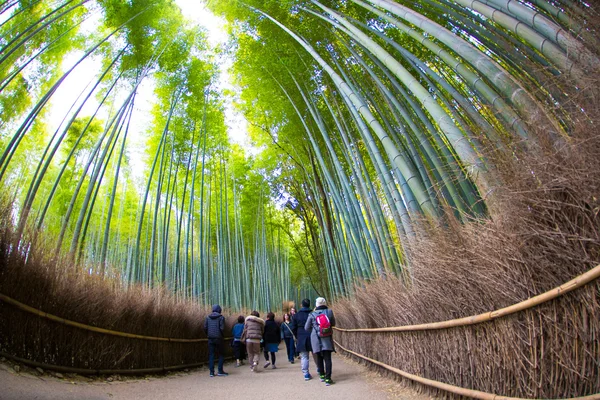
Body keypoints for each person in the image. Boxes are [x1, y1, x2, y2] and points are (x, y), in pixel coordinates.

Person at [305, 297, 335, 386]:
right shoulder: (329, 312)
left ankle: (322, 375)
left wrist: (315, 329)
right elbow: (333, 323)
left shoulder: (312, 314)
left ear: (316, 304)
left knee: (319, 357)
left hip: (315, 338)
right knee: (328, 358)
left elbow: (306, 328)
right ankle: (328, 379)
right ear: (325, 303)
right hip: (327, 337)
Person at [291, 298, 313, 381]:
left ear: (301, 305)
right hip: (312, 335)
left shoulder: (296, 315)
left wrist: (297, 336)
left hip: (301, 336)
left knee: (304, 356)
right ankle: (320, 370)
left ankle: (306, 374)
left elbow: (293, 328)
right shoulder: (312, 314)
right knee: (316, 354)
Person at [204, 304, 228, 377]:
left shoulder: (208, 317)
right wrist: (221, 335)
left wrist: (208, 334)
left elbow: (205, 327)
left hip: (210, 338)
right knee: (221, 354)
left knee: (211, 355)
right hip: (219, 338)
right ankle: (220, 371)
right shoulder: (221, 318)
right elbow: (222, 328)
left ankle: (211, 372)